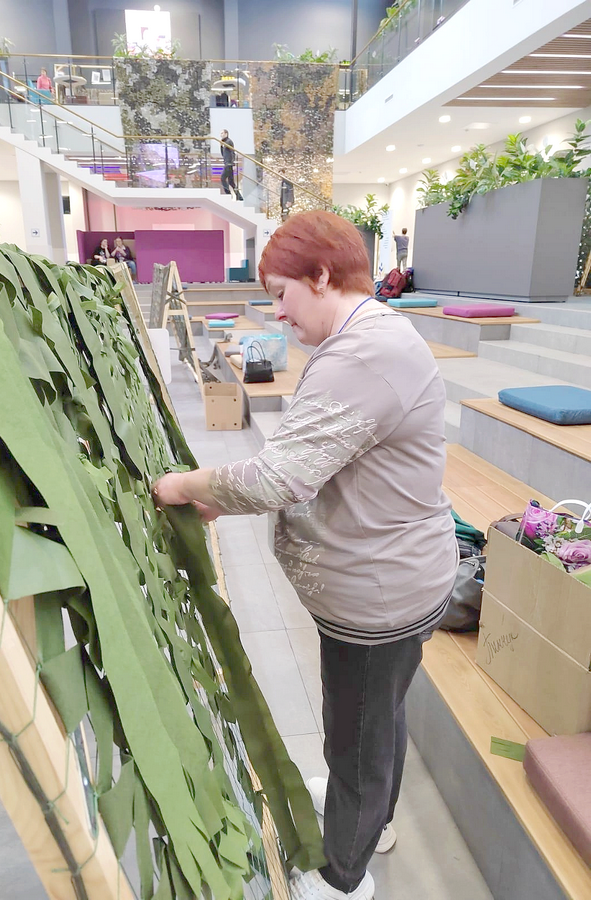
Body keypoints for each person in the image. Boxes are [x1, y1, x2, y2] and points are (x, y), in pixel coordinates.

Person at [153, 210, 459, 900]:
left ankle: (344, 875)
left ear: (321, 276)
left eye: (281, 294)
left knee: (358, 735)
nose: (279, 313)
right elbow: (313, 457)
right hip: (389, 576)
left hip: (379, 592)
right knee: (374, 716)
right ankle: (369, 818)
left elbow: (278, 477)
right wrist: (222, 497)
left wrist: (185, 485)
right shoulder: (365, 338)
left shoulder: (364, 355)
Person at [220, 129, 243, 200]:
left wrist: (233, 164)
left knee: (223, 178)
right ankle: (239, 197)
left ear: (226, 134)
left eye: (222, 133)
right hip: (227, 163)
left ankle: (228, 193)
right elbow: (223, 154)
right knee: (231, 182)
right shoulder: (224, 143)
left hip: (229, 164)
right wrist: (221, 146)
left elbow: (232, 153)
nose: (221, 135)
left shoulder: (229, 142)